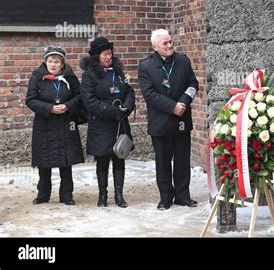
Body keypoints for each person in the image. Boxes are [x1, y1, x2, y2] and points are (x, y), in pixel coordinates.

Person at [138, 29, 199, 210]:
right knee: (163, 161)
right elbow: (149, 94)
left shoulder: (183, 61)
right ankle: (166, 197)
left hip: (182, 118)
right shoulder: (146, 66)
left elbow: (193, 84)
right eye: (165, 43)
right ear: (155, 46)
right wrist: (172, 107)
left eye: (170, 41)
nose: (170, 45)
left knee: (182, 159)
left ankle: (183, 195)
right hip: (161, 121)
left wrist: (184, 102)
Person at [80, 37, 135, 208]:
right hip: (101, 124)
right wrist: (112, 111)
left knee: (120, 158)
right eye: (104, 54)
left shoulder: (119, 72)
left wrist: (126, 107)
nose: (108, 57)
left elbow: (129, 92)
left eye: (110, 54)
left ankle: (119, 195)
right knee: (102, 160)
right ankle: (102, 195)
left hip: (120, 123)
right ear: (96, 56)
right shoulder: (89, 75)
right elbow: (89, 100)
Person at [25, 46, 84, 205]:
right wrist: (49, 108)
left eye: (56, 62)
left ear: (62, 64)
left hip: (65, 123)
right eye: (50, 61)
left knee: (66, 161)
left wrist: (68, 106)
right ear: (45, 62)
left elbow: (80, 96)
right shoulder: (37, 77)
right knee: (44, 162)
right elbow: (30, 100)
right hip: (45, 124)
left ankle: (66, 195)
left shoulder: (70, 78)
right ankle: (43, 194)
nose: (53, 64)